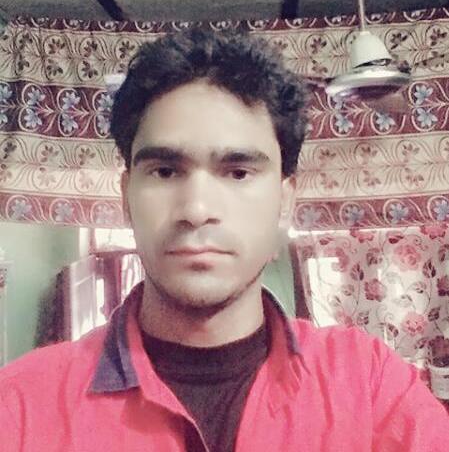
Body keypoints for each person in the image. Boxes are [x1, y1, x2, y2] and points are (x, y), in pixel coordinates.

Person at [1, 29, 448, 452]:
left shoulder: (370, 387)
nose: (197, 209)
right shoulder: (20, 404)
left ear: (285, 200)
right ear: (126, 196)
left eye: (237, 173)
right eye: (165, 171)